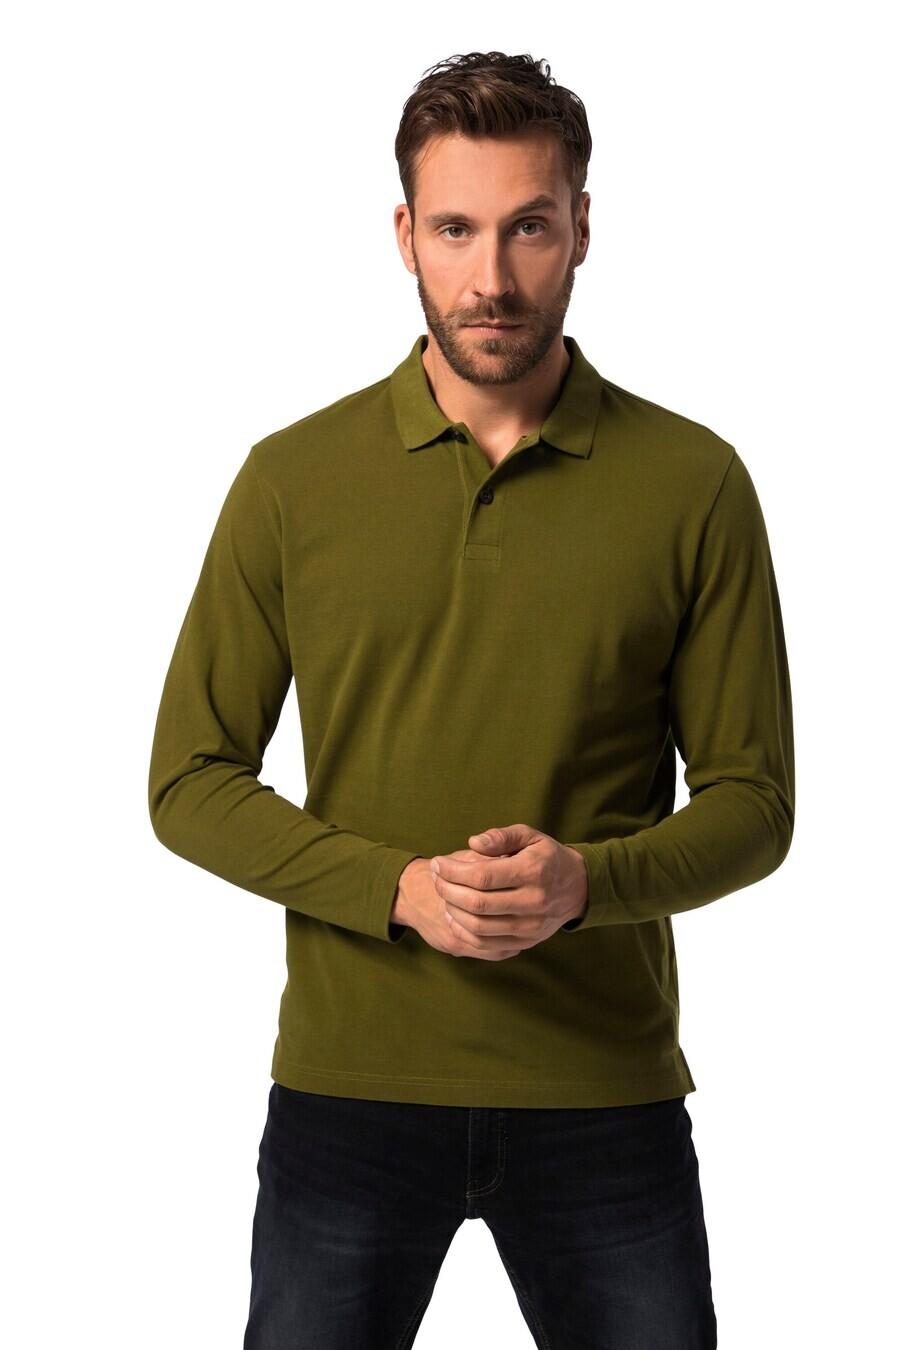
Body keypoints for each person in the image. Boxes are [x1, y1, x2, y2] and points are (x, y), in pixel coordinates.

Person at [148, 50, 794, 1349]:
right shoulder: (291, 481)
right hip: (351, 1088)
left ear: (582, 230)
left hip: (603, 1093)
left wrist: (584, 886)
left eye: (527, 228)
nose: (491, 277)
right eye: (455, 229)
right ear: (405, 235)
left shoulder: (696, 483)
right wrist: (395, 888)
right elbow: (189, 781)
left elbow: (755, 804)